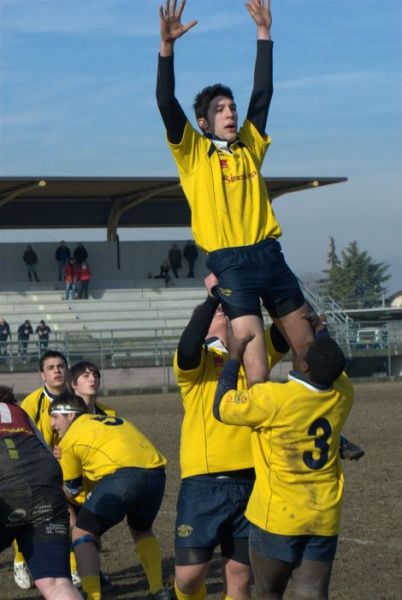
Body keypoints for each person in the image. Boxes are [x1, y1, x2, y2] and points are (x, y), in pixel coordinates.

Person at [156, 0, 314, 386]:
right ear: (203, 121)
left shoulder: (249, 144)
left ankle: (309, 424)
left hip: (269, 255)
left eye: (231, 107)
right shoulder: (193, 152)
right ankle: (260, 441)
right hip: (230, 265)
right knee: (256, 368)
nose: (230, 114)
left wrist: (264, 34)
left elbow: (262, 93)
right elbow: (165, 101)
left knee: (308, 345)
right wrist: (167, 50)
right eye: (220, 109)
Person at [172, 274, 289, 600]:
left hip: (252, 481)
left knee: (239, 577)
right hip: (204, 483)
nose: (222, 312)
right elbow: (189, 340)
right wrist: (211, 299)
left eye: (225, 309)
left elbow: (282, 332)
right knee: (189, 577)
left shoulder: (253, 356)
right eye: (215, 313)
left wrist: (263, 286)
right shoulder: (196, 365)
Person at [214, 334, 354, 600]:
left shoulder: (274, 398)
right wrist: (318, 332)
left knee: (269, 593)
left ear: (305, 366)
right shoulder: (343, 395)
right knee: (313, 593)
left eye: (303, 349)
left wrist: (233, 357)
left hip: (277, 516)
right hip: (323, 514)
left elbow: (221, 406)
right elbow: (336, 369)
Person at [50, 393, 170, 600]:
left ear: (70, 415)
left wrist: (55, 485)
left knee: (81, 534)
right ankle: (158, 590)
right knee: (141, 530)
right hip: (156, 473)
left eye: (54, 416)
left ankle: (93, 595)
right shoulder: (115, 420)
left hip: (123, 478)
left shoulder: (68, 440)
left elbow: (73, 491)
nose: (52, 423)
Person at [0, 386, 82, 600]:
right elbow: (47, 453)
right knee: (56, 583)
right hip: (46, 490)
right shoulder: (19, 412)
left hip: (5, 489)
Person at [14, 350, 71, 590]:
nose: (57, 370)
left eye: (60, 366)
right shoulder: (30, 404)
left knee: (73, 516)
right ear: (42, 375)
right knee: (27, 515)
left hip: (71, 464)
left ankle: (79, 568)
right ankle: (20, 560)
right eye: (51, 367)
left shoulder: (75, 399)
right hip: (37, 469)